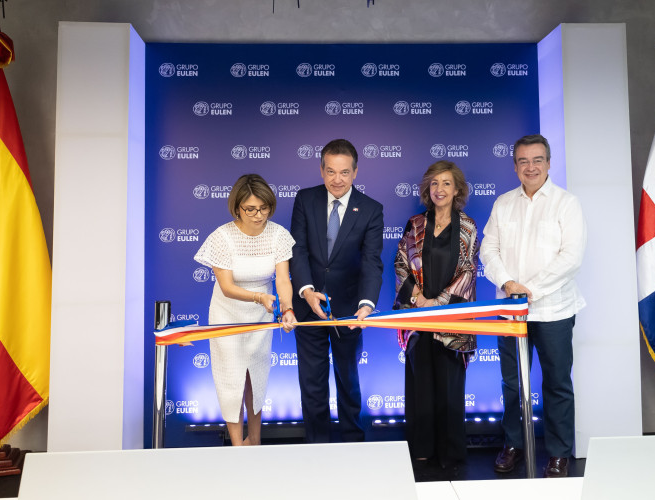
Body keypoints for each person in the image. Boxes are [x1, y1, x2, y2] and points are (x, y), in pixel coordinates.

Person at [481, 134, 586, 478]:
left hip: (553, 310)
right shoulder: (503, 203)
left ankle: (559, 452)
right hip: (510, 312)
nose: (531, 167)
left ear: (549, 163)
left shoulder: (566, 203)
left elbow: (571, 257)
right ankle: (513, 443)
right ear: (514, 166)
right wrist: (508, 285)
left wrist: (531, 290)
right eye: (523, 161)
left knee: (556, 383)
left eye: (537, 160)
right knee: (513, 384)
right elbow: (488, 250)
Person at [290, 138, 384, 443]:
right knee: (312, 384)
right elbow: (299, 250)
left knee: (348, 380)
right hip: (308, 307)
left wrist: (366, 305)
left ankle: (353, 443)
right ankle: (316, 447)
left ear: (356, 172)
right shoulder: (305, 200)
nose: (337, 179)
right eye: (331, 171)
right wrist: (305, 291)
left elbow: (371, 262)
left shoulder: (371, 210)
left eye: (344, 172)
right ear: (321, 170)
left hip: (349, 310)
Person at [194, 174, 297, 446]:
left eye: (264, 208)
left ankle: (256, 441)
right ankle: (238, 446)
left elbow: (283, 280)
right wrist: (259, 297)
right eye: (250, 209)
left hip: (261, 315)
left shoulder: (278, 235)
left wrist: (286, 308)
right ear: (237, 207)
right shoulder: (222, 237)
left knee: (256, 378)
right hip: (227, 315)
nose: (258, 215)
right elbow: (227, 287)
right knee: (232, 379)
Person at [393, 161, 479, 470]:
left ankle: (451, 454)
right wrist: (418, 299)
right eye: (434, 184)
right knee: (421, 388)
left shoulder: (467, 227)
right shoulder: (415, 223)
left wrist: (438, 304)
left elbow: (468, 271)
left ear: (457, 189)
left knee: (449, 388)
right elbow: (401, 264)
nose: (439, 189)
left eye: (446, 183)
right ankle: (422, 451)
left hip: (451, 322)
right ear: (427, 190)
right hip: (418, 320)